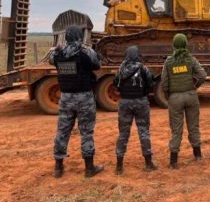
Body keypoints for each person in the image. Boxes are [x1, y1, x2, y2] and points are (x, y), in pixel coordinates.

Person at [50, 25, 104, 178]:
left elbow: (51, 61)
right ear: (80, 36)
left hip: (66, 97)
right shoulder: (86, 52)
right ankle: (89, 168)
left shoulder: (58, 54)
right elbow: (97, 64)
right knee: (86, 132)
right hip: (84, 97)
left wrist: (60, 50)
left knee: (62, 131)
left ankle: (58, 168)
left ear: (66, 37)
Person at [161, 33, 207, 169]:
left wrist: (169, 95)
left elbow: (164, 83)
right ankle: (197, 155)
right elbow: (203, 75)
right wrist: (195, 86)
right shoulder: (191, 59)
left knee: (176, 130)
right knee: (193, 127)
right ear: (186, 44)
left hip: (175, 98)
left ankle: (174, 161)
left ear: (174, 44)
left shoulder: (169, 61)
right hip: (191, 96)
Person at [113, 46, 156, 174]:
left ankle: (119, 166)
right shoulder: (143, 68)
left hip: (125, 102)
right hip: (141, 102)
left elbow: (116, 84)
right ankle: (148, 164)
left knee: (123, 134)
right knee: (144, 132)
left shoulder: (120, 69)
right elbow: (151, 84)